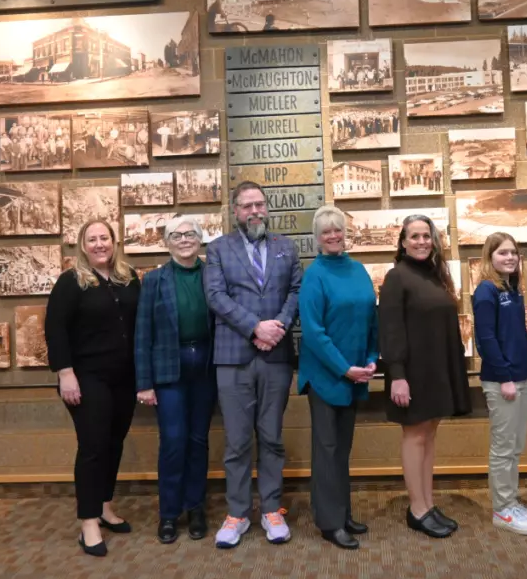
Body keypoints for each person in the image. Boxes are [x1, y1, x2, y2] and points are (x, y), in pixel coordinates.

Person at [204, 181, 303, 549]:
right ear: (235, 211)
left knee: (273, 438)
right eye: (247, 206)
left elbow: (295, 292)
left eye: (260, 204)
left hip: (275, 357)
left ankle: (272, 509)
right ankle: (238, 513)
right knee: (237, 441)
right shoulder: (217, 249)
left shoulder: (285, 248)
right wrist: (254, 327)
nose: (255, 211)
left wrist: (275, 328)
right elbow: (215, 295)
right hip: (233, 358)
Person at [46, 220, 141, 557]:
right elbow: (55, 330)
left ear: (114, 242)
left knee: (114, 443)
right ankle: (88, 521)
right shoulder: (71, 282)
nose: (99, 244)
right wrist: (65, 373)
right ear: (82, 245)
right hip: (86, 379)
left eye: (105, 238)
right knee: (93, 446)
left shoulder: (128, 278)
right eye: (92, 239)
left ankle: (103, 506)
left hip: (124, 378)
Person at [378, 215, 470, 539]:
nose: (421, 242)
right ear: (403, 242)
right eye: (414, 236)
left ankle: (427, 503)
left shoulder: (434, 276)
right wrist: (398, 376)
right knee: (415, 437)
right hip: (411, 374)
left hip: (436, 371)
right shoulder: (396, 277)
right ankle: (416, 509)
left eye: (426, 236)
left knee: (429, 436)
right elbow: (390, 331)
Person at [298, 206, 377, 550]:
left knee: (342, 449)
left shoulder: (359, 270)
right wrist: (344, 368)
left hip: (356, 374)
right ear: (317, 238)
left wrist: (372, 360)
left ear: (345, 233)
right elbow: (313, 333)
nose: (333, 236)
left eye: (338, 230)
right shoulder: (314, 275)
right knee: (327, 449)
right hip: (326, 376)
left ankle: (342, 513)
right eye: (326, 232)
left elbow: (371, 318)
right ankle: (330, 523)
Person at [134, 216, 217, 545]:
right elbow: (143, 334)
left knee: (198, 441)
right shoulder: (154, 280)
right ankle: (169, 512)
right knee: (173, 441)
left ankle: (195, 508)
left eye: (191, 234)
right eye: (177, 235)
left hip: (206, 369)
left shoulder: (213, 274)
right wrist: (144, 383)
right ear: (167, 242)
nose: (185, 239)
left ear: (200, 240)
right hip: (168, 370)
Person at [472, 233, 527, 536]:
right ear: (490, 258)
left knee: (515, 447)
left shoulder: (513, 290)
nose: (510, 258)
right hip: (503, 381)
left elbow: (519, 338)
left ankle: (511, 501)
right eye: (502, 253)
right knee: (503, 449)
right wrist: (505, 377)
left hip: (521, 376)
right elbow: (485, 339)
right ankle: (502, 510)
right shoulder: (486, 290)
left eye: (514, 252)